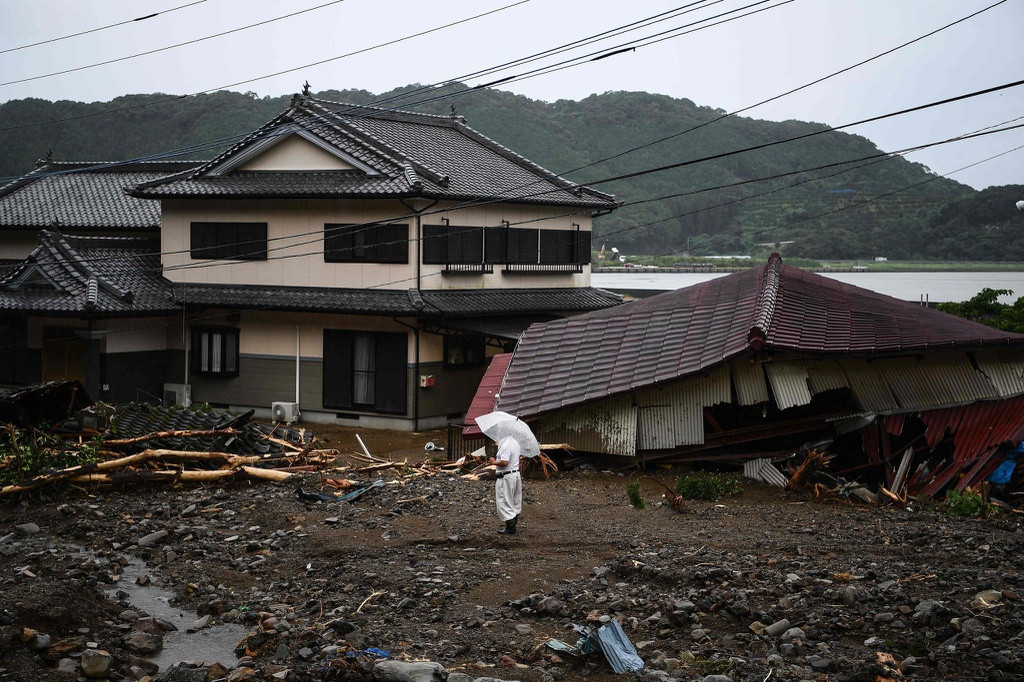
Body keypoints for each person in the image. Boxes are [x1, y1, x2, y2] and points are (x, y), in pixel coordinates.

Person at [488, 435, 522, 535]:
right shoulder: (515, 442)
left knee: (505, 500)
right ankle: (513, 523)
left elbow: (504, 462)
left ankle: (510, 527)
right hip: (515, 474)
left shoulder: (506, 445)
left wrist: (494, 462)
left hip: (506, 476)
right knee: (514, 499)